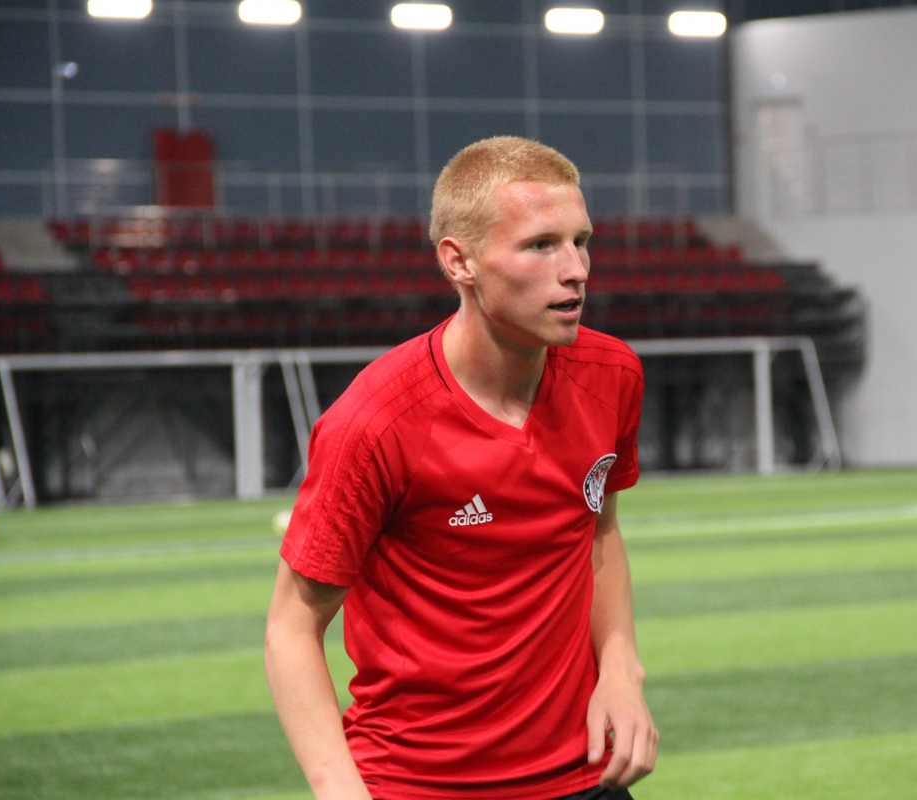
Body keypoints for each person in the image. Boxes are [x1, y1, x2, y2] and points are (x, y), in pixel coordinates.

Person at [265, 137, 658, 800]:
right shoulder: (375, 422)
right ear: (459, 261)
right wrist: (339, 790)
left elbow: (599, 530)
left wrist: (620, 664)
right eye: (541, 245)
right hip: (420, 785)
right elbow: (292, 628)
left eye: (581, 241)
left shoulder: (612, 374)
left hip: (584, 775)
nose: (576, 269)